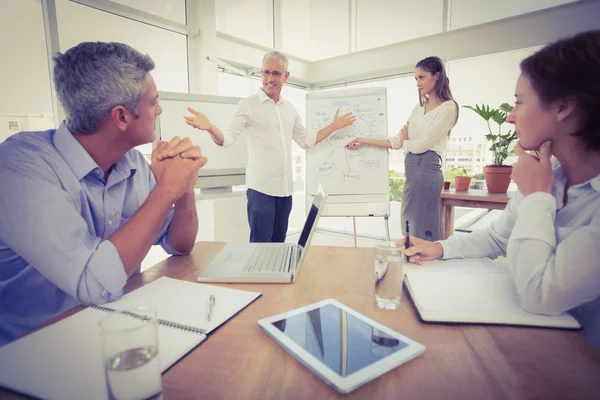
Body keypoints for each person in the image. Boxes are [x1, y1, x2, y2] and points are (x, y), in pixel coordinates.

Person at [0, 42, 207, 346]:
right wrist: (166, 189)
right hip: (35, 350)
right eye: (153, 102)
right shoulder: (19, 168)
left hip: (112, 330)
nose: (159, 109)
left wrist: (184, 185)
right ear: (121, 117)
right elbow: (94, 285)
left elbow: (180, 245)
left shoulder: (132, 163)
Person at [402, 31, 600, 348]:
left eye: (519, 102)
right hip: (538, 341)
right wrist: (439, 248)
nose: (510, 116)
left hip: (580, 366)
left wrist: (537, 197)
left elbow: (540, 295)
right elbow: (498, 237)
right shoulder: (551, 176)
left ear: (563, 106)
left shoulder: (543, 185)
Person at [183, 51, 355, 243]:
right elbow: (227, 138)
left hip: (285, 193)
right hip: (261, 191)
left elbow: (306, 140)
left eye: (276, 73)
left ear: (286, 76)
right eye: (266, 73)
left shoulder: (289, 109)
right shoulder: (248, 105)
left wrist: (334, 126)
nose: (270, 79)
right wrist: (210, 128)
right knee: (259, 251)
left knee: (278, 250)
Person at [347, 56, 458, 242]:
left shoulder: (448, 108)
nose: (418, 83)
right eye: (415, 78)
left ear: (437, 76)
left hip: (427, 170)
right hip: (412, 170)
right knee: (407, 227)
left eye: (421, 77)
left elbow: (422, 145)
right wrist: (364, 140)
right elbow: (398, 140)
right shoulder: (418, 108)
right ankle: (411, 263)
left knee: (422, 231)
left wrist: (406, 142)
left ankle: (425, 267)